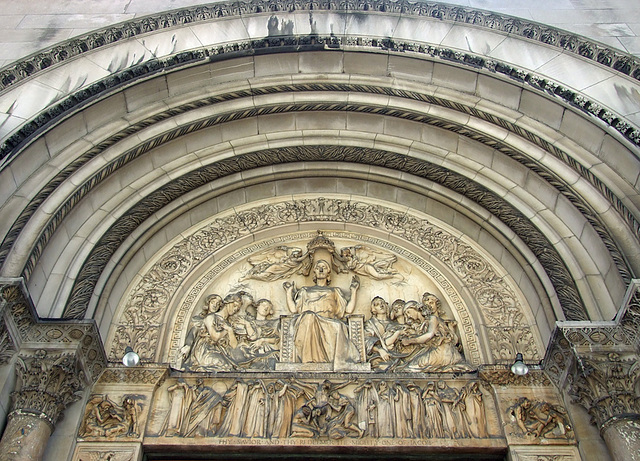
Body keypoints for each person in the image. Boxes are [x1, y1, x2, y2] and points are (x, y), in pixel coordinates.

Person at [283, 260, 361, 369]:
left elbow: (348, 310)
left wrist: (353, 291)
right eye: (318, 267)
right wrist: (288, 292)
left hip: (329, 322)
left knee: (338, 326)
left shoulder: (335, 291)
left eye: (324, 267)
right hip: (308, 321)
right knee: (309, 316)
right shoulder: (305, 291)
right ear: (314, 271)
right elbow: (293, 310)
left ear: (328, 272)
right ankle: (310, 359)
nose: (321, 269)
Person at [399, 294, 473, 372]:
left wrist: (409, 341)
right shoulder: (422, 324)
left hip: (443, 352)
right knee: (408, 365)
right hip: (434, 350)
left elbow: (429, 335)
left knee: (414, 366)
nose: (408, 316)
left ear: (415, 308)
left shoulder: (433, 318)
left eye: (408, 312)